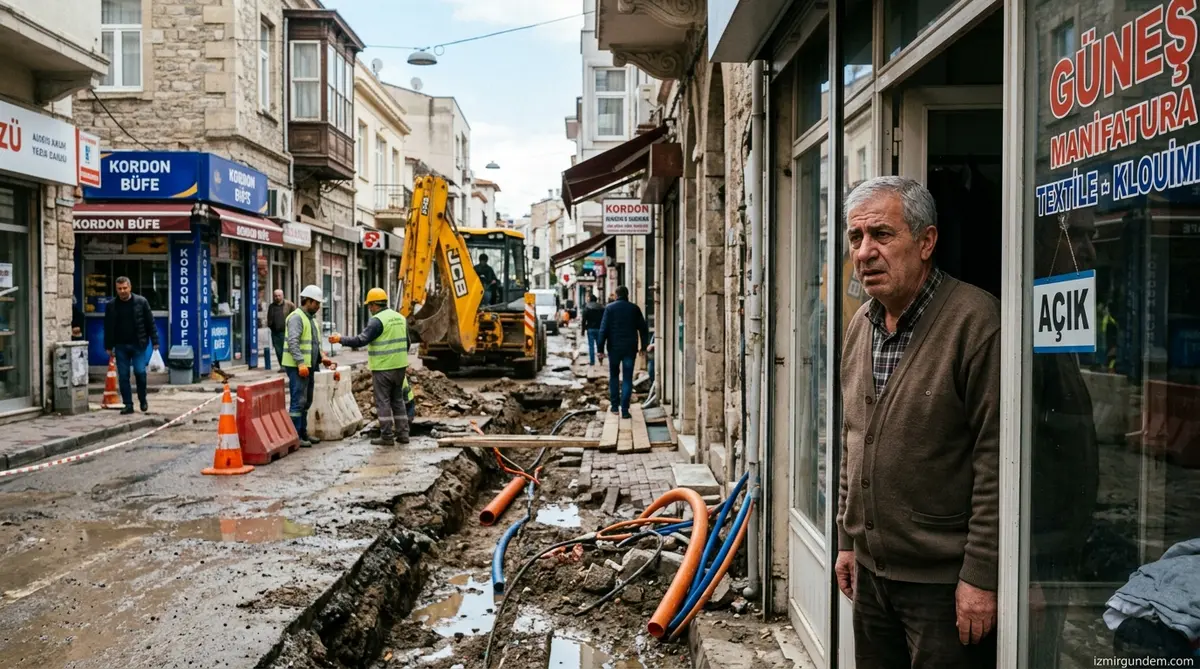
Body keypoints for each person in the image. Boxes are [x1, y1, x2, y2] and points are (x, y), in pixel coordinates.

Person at [834, 176, 1001, 668]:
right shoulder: (861, 324)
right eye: (855, 237)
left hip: (943, 588)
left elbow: (997, 460)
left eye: (881, 235)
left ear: (926, 242)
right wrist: (848, 540)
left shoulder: (976, 322)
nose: (864, 252)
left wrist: (981, 575)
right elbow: (853, 441)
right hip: (871, 575)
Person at [329, 287, 410, 446]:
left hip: (383, 368)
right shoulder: (400, 318)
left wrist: (341, 339)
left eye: (369, 305)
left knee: (383, 401)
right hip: (400, 367)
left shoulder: (377, 320)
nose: (369, 309)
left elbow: (361, 340)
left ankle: (386, 436)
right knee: (398, 400)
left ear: (374, 305)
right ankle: (403, 434)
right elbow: (407, 342)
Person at [282, 284, 336, 447]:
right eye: (317, 303)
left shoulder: (310, 320)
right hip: (298, 367)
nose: (319, 307)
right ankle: (296, 435)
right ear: (308, 301)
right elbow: (293, 342)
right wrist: (300, 363)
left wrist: (322, 357)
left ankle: (303, 433)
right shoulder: (296, 317)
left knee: (307, 401)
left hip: (309, 366)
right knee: (298, 401)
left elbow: (313, 344)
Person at [103, 276, 160, 415]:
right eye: (119, 289)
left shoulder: (141, 302)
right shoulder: (111, 305)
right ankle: (128, 404)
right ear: (116, 289)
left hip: (138, 344)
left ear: (130, 287)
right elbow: (108, 326)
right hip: (120, 345)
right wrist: (108, 346)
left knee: (140, 372)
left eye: (124, 288)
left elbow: (150, 322)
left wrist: (155, 341)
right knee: (123, 376)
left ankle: (143, 399)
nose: (122, 291)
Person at [597, 285, 649, 419]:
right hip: (630, 349)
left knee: (614, 376)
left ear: (616, 295)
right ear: (628, 295)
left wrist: (600, 350)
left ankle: (615, 407)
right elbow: (643, 329)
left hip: (614, 348)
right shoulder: (634, 309)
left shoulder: (609, 309)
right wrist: (643, 347)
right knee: (627, 378)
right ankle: (625, 410)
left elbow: (603, 330)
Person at [266, 288, 295, 368]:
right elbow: (269, 317)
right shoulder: (271, 306)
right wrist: (270, 325)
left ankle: (287, 365)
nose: (277, 297)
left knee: (286, 350)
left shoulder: (289, 305)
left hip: (285, 332)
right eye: (275, 296)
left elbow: (295, 316)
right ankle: (282, 366)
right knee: (278, 350)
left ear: (282, 296)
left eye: (279, 296)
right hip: (275, 332)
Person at [581, 292, 605, 365]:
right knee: (600, 345)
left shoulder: (587, 307)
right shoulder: (601, 307)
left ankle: (592, 361)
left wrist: (582, 330)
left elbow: (584, 320)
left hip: (590, 329)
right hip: (600, 328)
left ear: (590, 299)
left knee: (591, 346)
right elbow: (605, 319)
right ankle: (600, 360)